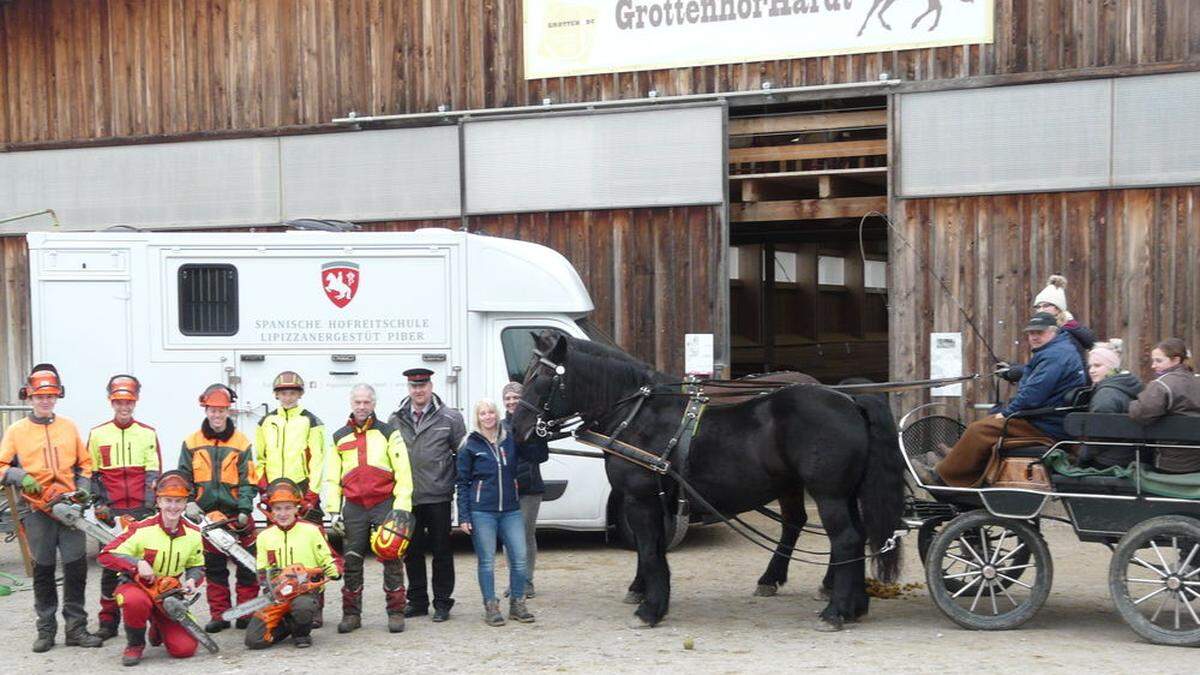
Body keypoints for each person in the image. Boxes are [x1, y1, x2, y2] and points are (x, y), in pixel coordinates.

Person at [0, 364, 103, 652]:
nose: (45, 401)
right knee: (43, 570)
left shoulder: (68, 426)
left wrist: (82, 488)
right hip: (37, 510)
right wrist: (21, 476)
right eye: (39, 396)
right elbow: (1, 466)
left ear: (56, 397)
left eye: (50, 396)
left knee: (75, 568)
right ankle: (45, 630)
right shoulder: (16, 431)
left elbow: (85, 464)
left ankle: (76, 628)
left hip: (69, 508)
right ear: (30, 397)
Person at [926, 313, 1087, 487]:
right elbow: (1038, 383)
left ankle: (942, 477)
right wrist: (1017, 373)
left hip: (1044, 424)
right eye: (1031, 333)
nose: (1034, 337)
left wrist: (1008, 412)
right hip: (1050, 418)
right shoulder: (1061, 349)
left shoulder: (1054, 356)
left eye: (1039, 332)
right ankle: (956, 459)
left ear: (1053, 332)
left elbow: (1033, 396)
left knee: (979, 430)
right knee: (988, 421)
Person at [325, 383, 414, 634]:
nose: (362, 407)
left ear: (374, 404)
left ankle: (396, 612)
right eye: (358, 402)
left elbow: (403, 472)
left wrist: (402, 507)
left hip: (384, 503)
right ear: (351, 404)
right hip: (354, 507)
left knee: (392, 558)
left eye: (366, 402)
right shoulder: (339, 436)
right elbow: (333, 477)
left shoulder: (388, 432)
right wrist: (333, 511)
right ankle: (351, 615)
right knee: (352, 561)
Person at [98, 471, 206, 666]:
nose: (173, 506)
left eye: (178, 501)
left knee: (185, 649)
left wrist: (191, 580)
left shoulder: (193, 534)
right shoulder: (140, 529)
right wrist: (136, 563)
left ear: (185, 503)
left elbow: (197, 565)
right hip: (138, 586)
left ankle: (157, 626)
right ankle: (135, 644)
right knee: (134, 601)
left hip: (168, 593)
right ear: (159, 501)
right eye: (168, 501)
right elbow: (106, 555)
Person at [87, 374, 162, 641]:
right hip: (111, 513)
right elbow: (92, 475)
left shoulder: (147, 433)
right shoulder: (97, 434)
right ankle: (108, 623)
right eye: (118, 401)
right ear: (111, 401)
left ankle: (154, 621)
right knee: (110, 568)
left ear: (136, 401)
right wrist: (99, 505)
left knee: (147, 567)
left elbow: (154, 474)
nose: (124, 407)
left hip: (141, 511)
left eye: (128, 401)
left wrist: (150, 509)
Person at [178, 383, 258, 633]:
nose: (216, 415)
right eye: (212, 410)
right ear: (206, 410)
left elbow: (249, 479)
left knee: (246, 567)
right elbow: (184, 475)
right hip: (206, 517)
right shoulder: (191, 442)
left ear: (228, 411)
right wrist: (189, 500)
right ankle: (219, 615)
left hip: (235, 514)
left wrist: (245, 509)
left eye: (221, 410)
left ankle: (246, 612)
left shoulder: (242, 443)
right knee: (214, 569)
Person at [389, 368, 465, 623]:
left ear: (431, 386)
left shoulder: (451, 418)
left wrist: (452, 483)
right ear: (408, 389)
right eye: (413, 386)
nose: (418, 390)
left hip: (438, 495)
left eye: (422, 385)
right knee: (411, 552)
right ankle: (418, 601)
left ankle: (443, 603)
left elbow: (461, 456)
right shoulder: (395, 419)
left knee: (442, 551)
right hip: (407, 497)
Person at [255, 371, 329, 626]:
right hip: (275, 493)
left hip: (302, 489)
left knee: (311, 552)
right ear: (277, 394)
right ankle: (281, 602)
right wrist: (263, 486)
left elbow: (318, 459)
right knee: (276, 552)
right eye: (284, 392)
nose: (288, 397)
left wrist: (312, 492)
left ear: (300, 395)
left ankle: (314, 607)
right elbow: (260, 457)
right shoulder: (266, 421)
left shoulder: (311, 421)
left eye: (293, 392)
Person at [457, 399, 534, 626]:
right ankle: (491, 605)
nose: (488, 417)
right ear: (477, 417)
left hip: (511, 509)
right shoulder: (469, 444)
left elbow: (534, 453)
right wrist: (464, 516)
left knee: (520, 558)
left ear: (497, 414)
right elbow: (462, 482)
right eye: (483, 413)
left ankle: (518, 603)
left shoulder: (509, 439)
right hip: (483, 511)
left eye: (491, 412)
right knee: (487, 561)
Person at [245, 478, 342, 650]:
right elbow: (262, 569)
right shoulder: (264, 536)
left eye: (288, 508)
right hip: (278, 591)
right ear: (272, 510)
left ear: (297, 508)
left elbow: (327, 558)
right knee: (254, 640)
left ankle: (301, 633)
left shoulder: (311, 531)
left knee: (303, 607)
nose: (283, 513)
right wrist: (269, 588)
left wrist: (334, 571)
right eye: (278, 509)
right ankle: (289, 624)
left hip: (304, 591)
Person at [996, 274, 1096, 382]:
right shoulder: (1057, 330)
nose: (1041, 310)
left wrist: (1016, 372)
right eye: (1038, 307)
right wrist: (1013, 367)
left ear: (1058, 308)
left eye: (1046, 306)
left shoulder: (1064, 335)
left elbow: (1050, 372)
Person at [502, 382, 549, 598]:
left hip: (529, 487)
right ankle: (514, 580)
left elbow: (541, 455)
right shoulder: (499, 425)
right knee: (507, 536)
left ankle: (527, 581)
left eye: (515, 398)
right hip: (505, 489)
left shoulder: (535, 424)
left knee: (525, 535)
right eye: (507, 398)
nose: (511, 402)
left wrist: (520, 443)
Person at [1129, 338, 1200, 473]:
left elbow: (1140, 414)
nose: (1153, 365)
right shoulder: (1197, 380)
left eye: (1159, 361)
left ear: (1176, 360)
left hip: (1171, 462)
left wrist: (1133, 402)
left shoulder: (1162, 385)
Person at [1076, 340, 1143, 469]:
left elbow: (1099, 438)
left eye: (1097, 365)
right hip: (1134, 454)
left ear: (1111, 367)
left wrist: (1081, 460)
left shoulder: (1106, 396)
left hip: (1110, 460)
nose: (1092, 371)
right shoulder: (1129, 384)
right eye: (1090, 366)